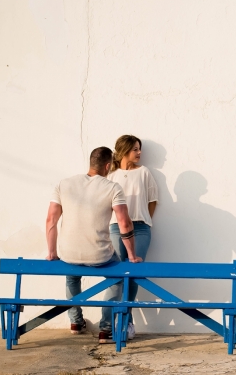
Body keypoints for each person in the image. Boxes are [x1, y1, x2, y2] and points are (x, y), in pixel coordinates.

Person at [45, 146, 143, 344]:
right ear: (107, 166)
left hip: (69, 253)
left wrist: (52, 252)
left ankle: (75, 322)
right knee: (116, 280)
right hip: (100, 255)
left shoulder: (64, 184)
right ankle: (105, 330)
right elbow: (124, 223)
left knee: (72, 277)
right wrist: (132, 255)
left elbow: (50, 221)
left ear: (91, 163)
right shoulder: (112, 187)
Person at [107, 135, 158, 340]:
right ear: (124, 150)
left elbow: (153, 200)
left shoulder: (144, 172)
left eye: (140, 149)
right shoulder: (111, 175)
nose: (139, 153)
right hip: (115, 228)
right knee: (117, 274)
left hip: (140, 228)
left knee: (134, 272)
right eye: (135, 149)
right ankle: (111, 322)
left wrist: (143, 218)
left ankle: (126, 322)